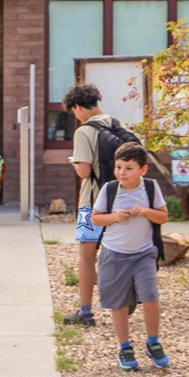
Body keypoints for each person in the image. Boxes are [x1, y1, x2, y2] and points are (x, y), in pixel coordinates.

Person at [91, 143, 170, 371]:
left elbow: (163, 217)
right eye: (118, 167)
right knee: (119, 303)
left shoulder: (151, 188)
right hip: (113, 254)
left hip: (143, 253)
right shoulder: (110, 189)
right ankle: (124, 347)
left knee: (150, 297)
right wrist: (115, 216)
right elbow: (96, 219)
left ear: (143, 170)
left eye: (128, 168)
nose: (122, 172)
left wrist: (145, 211)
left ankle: (153, 341)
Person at [63, 84, 134, 326]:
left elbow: (84, 172)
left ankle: (85, 312)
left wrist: (74, 162)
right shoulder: (119, 124)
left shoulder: (84, 131)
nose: (76, 116)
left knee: (86, 255)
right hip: (122, 199)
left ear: (79, 107)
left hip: (92, 202)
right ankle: (127, 295)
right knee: (120, 253)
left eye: (74, 111)